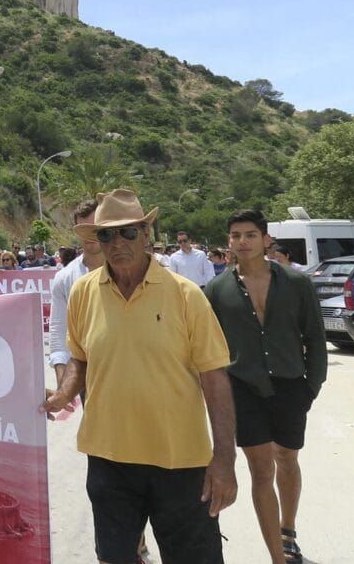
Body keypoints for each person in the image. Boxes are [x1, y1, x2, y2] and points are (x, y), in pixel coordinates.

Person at [43, 189, 236, 564]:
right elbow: (80, 358)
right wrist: (64, 393)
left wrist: (224, 460)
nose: (117, 243)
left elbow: (215, 379)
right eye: (106, 235)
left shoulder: (185, 296)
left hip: (180, 460)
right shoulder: (83, 291)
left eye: (128, 232)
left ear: (146, 234)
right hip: (109, 459)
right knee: (114, 558)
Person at [206, 209, 326, 564]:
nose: (242, 242)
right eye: (235, 236)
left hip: (291, 385)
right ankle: (277, 557)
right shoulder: (216, 289)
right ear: (228, 242)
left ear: (265, 239)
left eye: (250, 235)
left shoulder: (295, 283)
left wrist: (312, 386)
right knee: (261, 470)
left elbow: (315, 337)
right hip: (243, 388)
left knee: (287, 459)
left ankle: (288, 533)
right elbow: (211, 347)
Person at [48, 198, 102, 390]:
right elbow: (58, 328)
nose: (89, 235)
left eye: (95, 228)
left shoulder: (127, 271)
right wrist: (62, 375)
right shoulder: (64, 278)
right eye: (82, 229)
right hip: (88, 376)